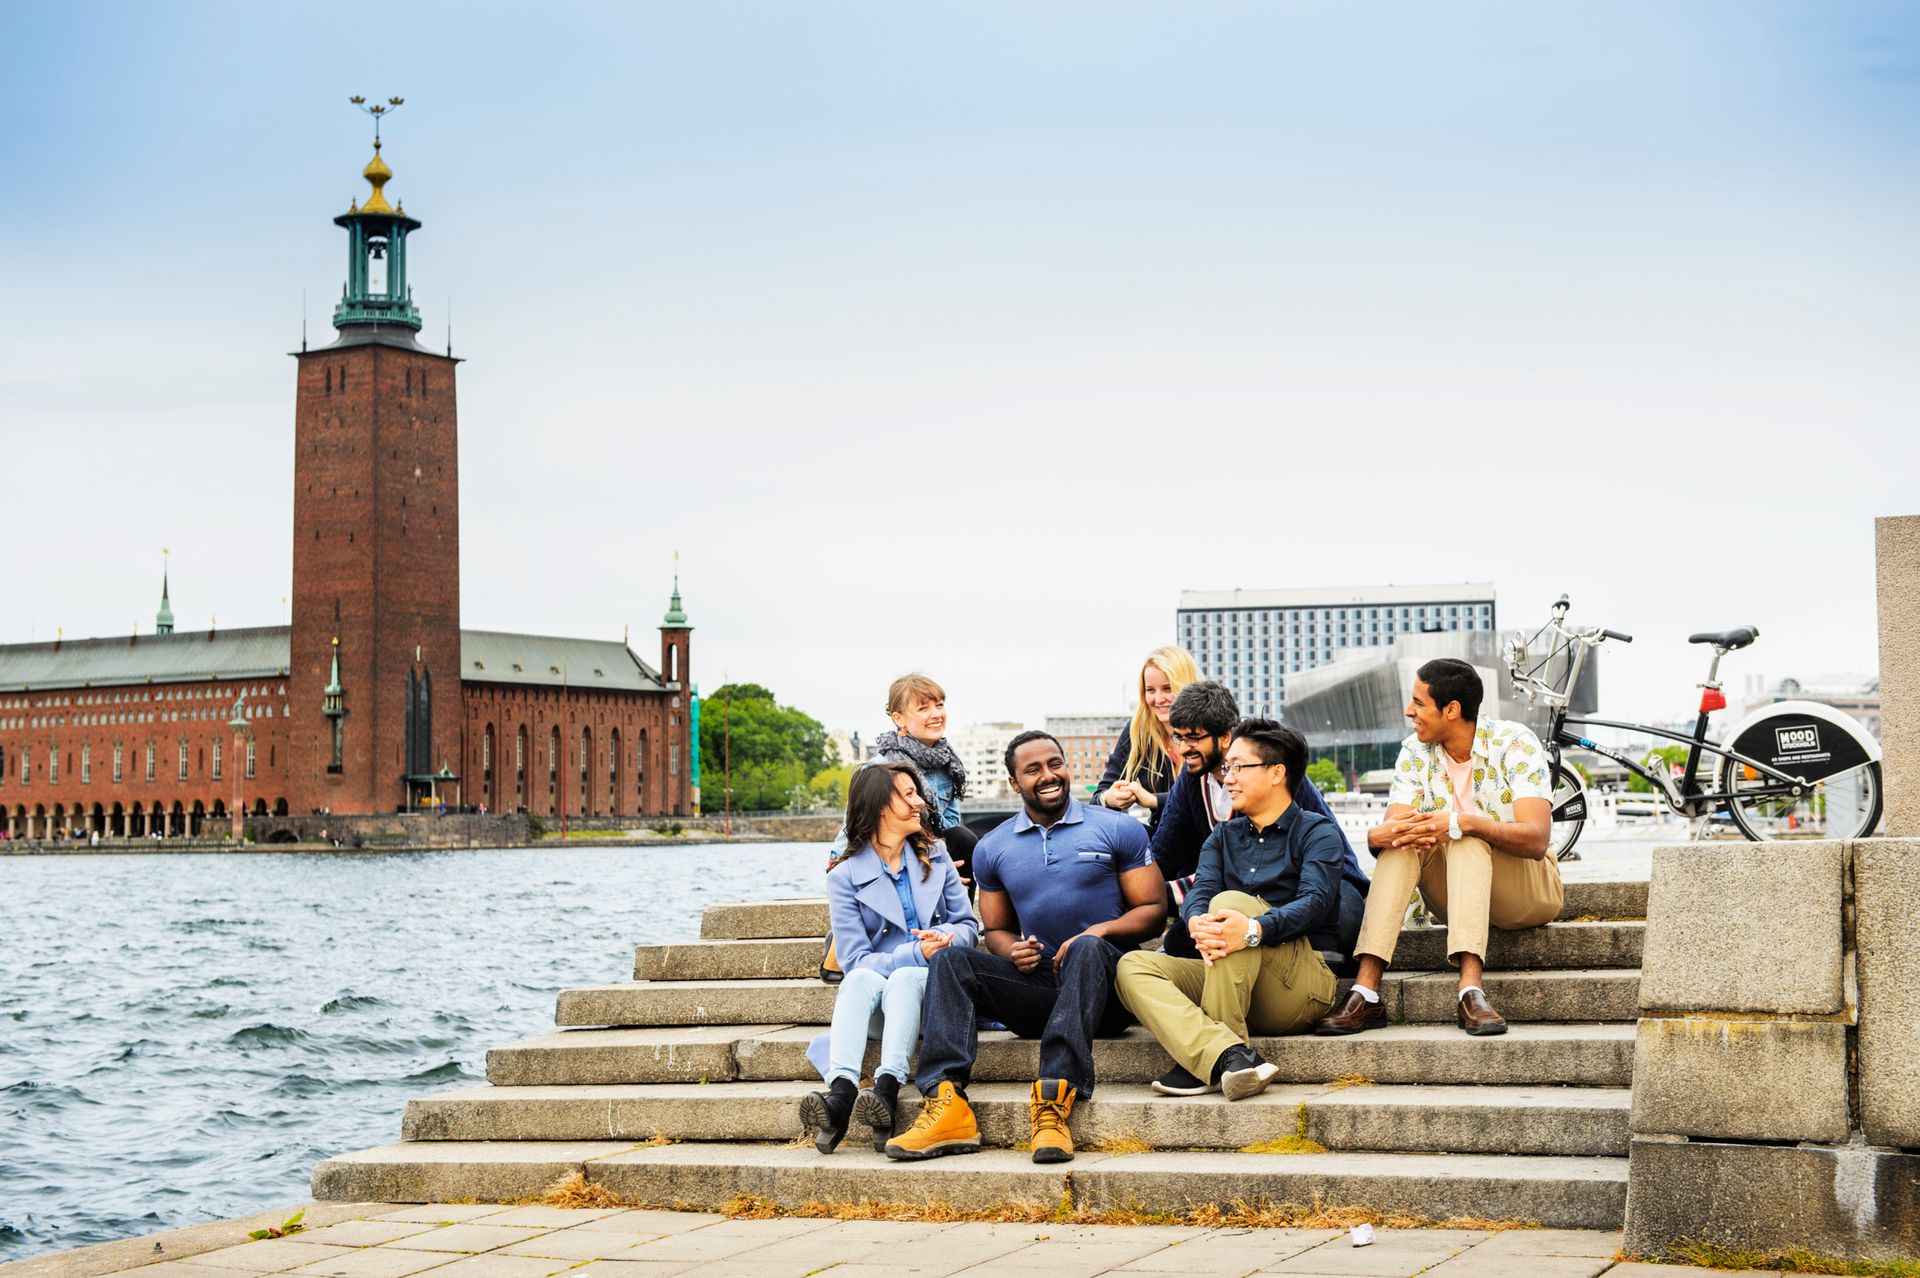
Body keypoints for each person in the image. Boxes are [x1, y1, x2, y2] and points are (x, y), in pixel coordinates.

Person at [884, 731, 1164, 1165]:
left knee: (1087, 950)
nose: (1048, 775)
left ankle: (1053, 1102)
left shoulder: (1116, 828)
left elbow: (1153, 909)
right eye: (1033, 770)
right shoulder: (993, 848)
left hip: (1107, 992)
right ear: (1015, 784)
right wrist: (1013, 951)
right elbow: (995, 930)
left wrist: (1100, 932)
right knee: (953, 960)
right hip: (1040, 990)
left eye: (1055, 764)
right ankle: (947, 1103)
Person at [1315, 658, 1561, 1038]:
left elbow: (1536, 839)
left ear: (1451, 710)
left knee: (1464, 833)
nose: (1408, 711)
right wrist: (1380, 836)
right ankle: (1366, 991)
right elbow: (1390, 830)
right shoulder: (1415, 751)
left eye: (1418, 702)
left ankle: (1470, 989)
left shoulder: (1514, 741)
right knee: (1405, 841)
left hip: (1527, 891)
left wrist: (1462, 822)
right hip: (1457, 893)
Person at [1118, 718, 1344, 1099]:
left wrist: (1253, 928)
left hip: (1297, 986)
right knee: (1132, 965)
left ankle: (1213, 1054)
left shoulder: (1316, 831)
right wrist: (1197, 924)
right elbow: (1198, 895)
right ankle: (1229, 1057)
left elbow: (1316, 903)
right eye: (1227, 768)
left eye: (1239, 767)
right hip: (1227, 975)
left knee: (1230, 904)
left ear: (1277, 773)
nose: (1228, 778)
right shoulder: (1222, 836)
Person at [802, 762, 977, 1153]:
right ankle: (844, 1092)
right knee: (861, 979)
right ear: (881, 806)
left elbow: (967, 926)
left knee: (904, 979)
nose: (920, 803)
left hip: (937, 994)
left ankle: (886, 1087)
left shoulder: (937, 854)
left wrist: (945, 938)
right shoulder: (843, 876)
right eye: (909, 795)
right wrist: (913, 951)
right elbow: (853, 961)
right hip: (880, 1002)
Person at [1151, 681, 1368, 961]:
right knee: (1176, 922)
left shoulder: (1271, 772)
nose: (1183, 749)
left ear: (1226, 736)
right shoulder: (1191, 780)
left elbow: (1323, 848)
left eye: (1193, 738)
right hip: (1237, 885)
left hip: (1304, 877)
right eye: (1178, 738)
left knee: (1348, 919)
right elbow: (1164, 853)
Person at [852, 674, 980, 890]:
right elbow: (855, 827)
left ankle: (959, 921)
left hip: (931, 848)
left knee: (963, 839)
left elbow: (950, 822)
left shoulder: (948, 764)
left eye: (939, 706)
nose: (937, 714)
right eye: (923, 709)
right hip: (889, 854)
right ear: (899, 718)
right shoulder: (880, 768)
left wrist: (939, 861)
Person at [1092, 645, 1199, 838]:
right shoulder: (1137, 731)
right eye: (1150, 690)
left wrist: (1153, 800)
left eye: (1167, 688)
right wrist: (1109, 798)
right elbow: (1098, 798)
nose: (1158, 699)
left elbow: (1205, 797)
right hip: (1163, 840)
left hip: (1206, 838)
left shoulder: (1208, 729)